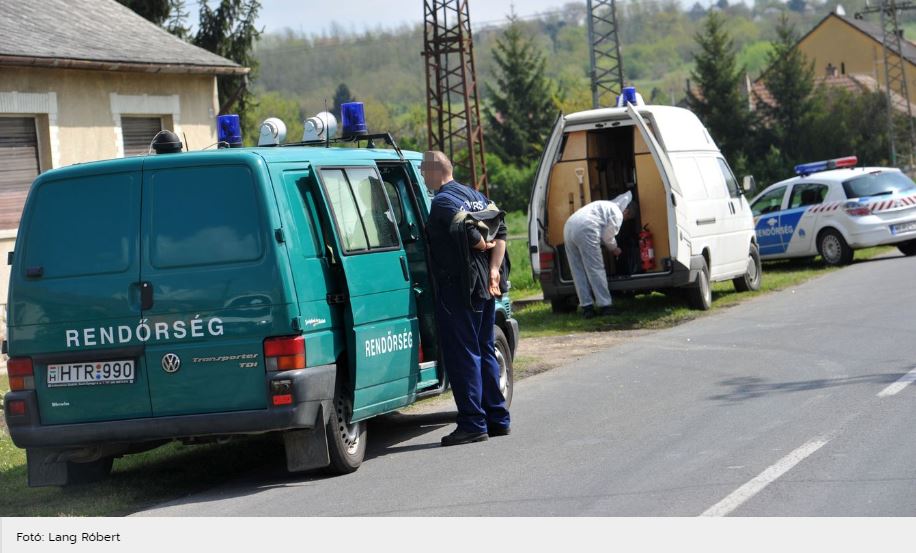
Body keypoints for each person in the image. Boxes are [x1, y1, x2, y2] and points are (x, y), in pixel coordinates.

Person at [420, 150, 511, 447]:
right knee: (484, 349)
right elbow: (502, 229)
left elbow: (475, 236)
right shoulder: (477, 195)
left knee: (464, 354)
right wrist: (495, 270)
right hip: (486, 285)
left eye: (423, 171)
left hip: (458, 288)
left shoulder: (443, 201)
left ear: (435, 171)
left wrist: (479, 242)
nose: (422, 176)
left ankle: (473, 423)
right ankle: (497, 418)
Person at [562, 192, 634, 318]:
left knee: (578, 270)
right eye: (628, 217)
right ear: (626, 211)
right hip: (585, 228)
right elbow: (607, 236)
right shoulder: (617, 213)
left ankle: (587, 307)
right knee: (595, 268)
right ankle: (605, 306)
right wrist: (615, 248)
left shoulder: (605, 205)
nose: (625, 219)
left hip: (569, 226)